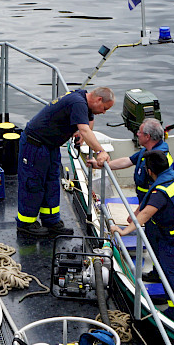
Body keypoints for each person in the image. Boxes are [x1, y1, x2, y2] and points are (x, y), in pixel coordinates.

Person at [112, 150, 174, 323]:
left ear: (149, 171)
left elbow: (146, 213)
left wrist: (124, 231)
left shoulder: (161, 193)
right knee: (166, 273)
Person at [17, 87, 115, 238]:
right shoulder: (78, 102)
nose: (104, 112)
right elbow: (84, 129)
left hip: (51, 145)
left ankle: (51, 221)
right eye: (104, 108)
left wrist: (84, 131)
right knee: (33, 183)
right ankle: (26, 224)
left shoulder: (84, 97)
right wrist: (100, 151)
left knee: (52, 183)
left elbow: (89, 120)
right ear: (98, 99)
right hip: (35, 145)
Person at [92, 117, 173, 280]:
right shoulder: (147, 152)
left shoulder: (160, 160)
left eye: (140, 132)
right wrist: (100, 165)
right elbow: (128, 161)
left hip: (157, 210)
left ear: (148, 136)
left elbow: (155, 193)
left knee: (160, 245)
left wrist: (137, 212)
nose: (137, 133)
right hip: (147, 206)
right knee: (152, 242)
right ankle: (158, 274)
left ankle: (164, 281)